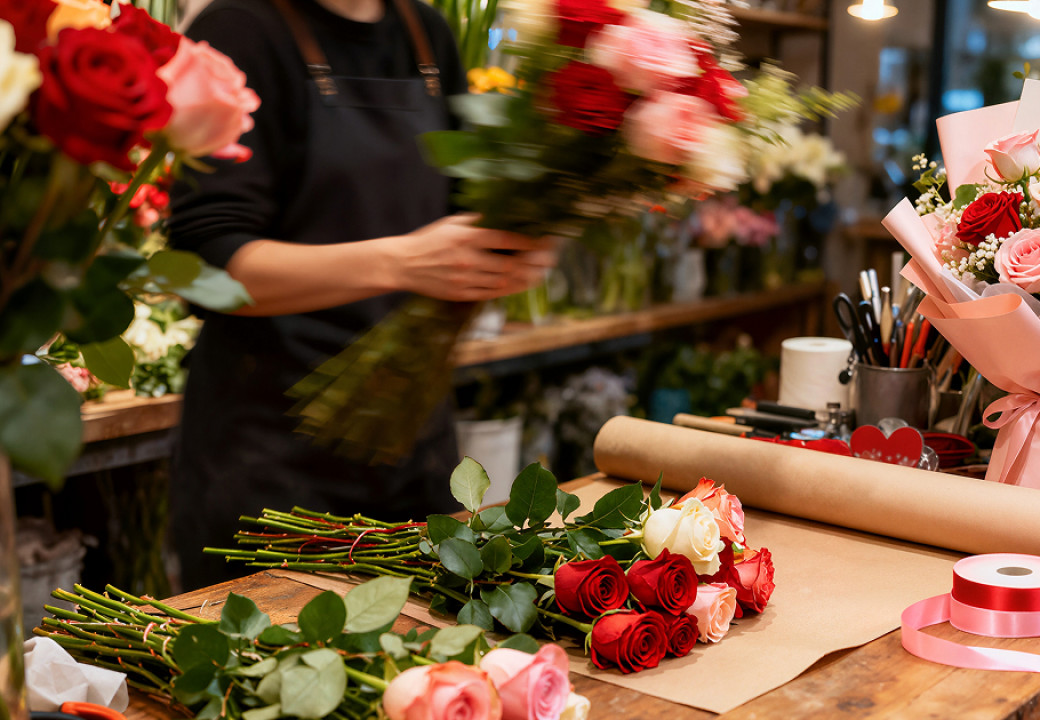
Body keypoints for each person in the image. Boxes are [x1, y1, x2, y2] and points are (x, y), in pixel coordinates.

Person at [168, 0, 556, 589]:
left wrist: (517, 243)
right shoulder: (240, 29)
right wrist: (402, 261)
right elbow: (207, 266)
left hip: (414, 447)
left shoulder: (426, 33)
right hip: (271, 459)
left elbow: (464, 209)